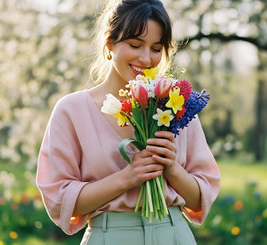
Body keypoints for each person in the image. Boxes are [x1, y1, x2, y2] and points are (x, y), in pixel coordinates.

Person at [36, 0, 221, 244]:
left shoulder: (178, 106)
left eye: (157, 48)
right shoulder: (72, 110)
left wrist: (173, 168)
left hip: (174, 235)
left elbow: (200, 200)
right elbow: (60, 202)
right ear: (110, 43)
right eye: (135, 45)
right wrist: (127, 177)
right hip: (109, 237)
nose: (146, 58)